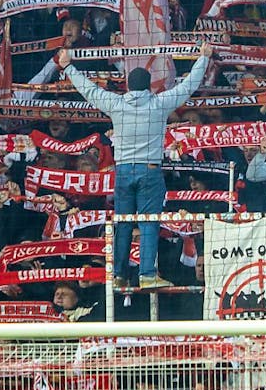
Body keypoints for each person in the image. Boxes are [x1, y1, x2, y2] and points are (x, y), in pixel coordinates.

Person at [57, 43, 212, 289]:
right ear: (149, 84)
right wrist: (203, 59)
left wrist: (67, 66)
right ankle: (147, 274)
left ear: (128, 86)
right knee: (149, 222)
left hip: (123, 172)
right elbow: (189, 86)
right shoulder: (159, 104)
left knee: (124, 222)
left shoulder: (116, 104)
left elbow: (88, 90)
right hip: (149, 171)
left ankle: (118, 273)